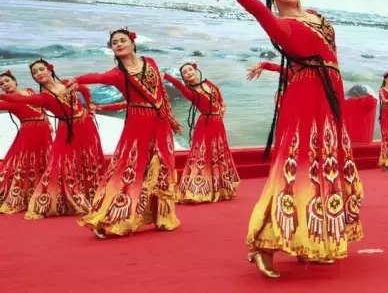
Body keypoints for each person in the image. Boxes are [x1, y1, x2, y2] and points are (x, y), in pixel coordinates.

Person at [206, 0, 364, 278]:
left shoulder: (316, 16)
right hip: (305, 99)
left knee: (325, 166)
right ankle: (262, 245)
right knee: (296, 167)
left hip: (330, 96)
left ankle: (311, 240)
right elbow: (259, 13)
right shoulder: (281, 24)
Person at [69, 28, 182, 238]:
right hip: (138, 123)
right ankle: (109, 218)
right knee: (129, 168)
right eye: (115, 43)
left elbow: (160, 93)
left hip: (160, 122)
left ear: (132, 43)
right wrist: (76, 80)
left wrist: (169, 118)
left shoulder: (150, 62)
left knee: (161, 168)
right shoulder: (117, 74)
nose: (119, 44)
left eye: (122, 40)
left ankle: (162, 216)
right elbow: (97, 77)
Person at [0, 59, 105, 219]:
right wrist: (3, 96)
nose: (38, 73)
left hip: (86, 125)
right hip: (65, 130)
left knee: (88, 159)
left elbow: (84, 88)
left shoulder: (65, 83)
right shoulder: (43, 96)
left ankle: (90, 194)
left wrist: (90, 107)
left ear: (50, 69)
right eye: (34, 73)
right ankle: (53, 201)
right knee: (59, 163)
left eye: (41, 69)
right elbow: (21, 100)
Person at [164, 62, 240, 203]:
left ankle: (219, 189)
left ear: (196, 70)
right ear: (184, 78)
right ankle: (198, 189)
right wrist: (166, 76)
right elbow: (178, 85)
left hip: (218, 123)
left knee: (218, 154)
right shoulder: (190, 92)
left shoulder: (209, 83)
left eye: (190, 70)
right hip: (205, 124)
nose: (188, 73)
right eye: (185, 72)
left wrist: (222, 110)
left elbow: (220, 99)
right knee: (202, 155)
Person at [0, 70, 53, 214]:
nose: (5, 84)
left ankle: (42, 190)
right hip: (29, 132)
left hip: (44, 130)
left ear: (14, 80)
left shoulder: (29, 91)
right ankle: (26, 193)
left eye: (7, 81)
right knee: (28, 162)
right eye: (1, 84)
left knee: (43, 159)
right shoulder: (7, 101)